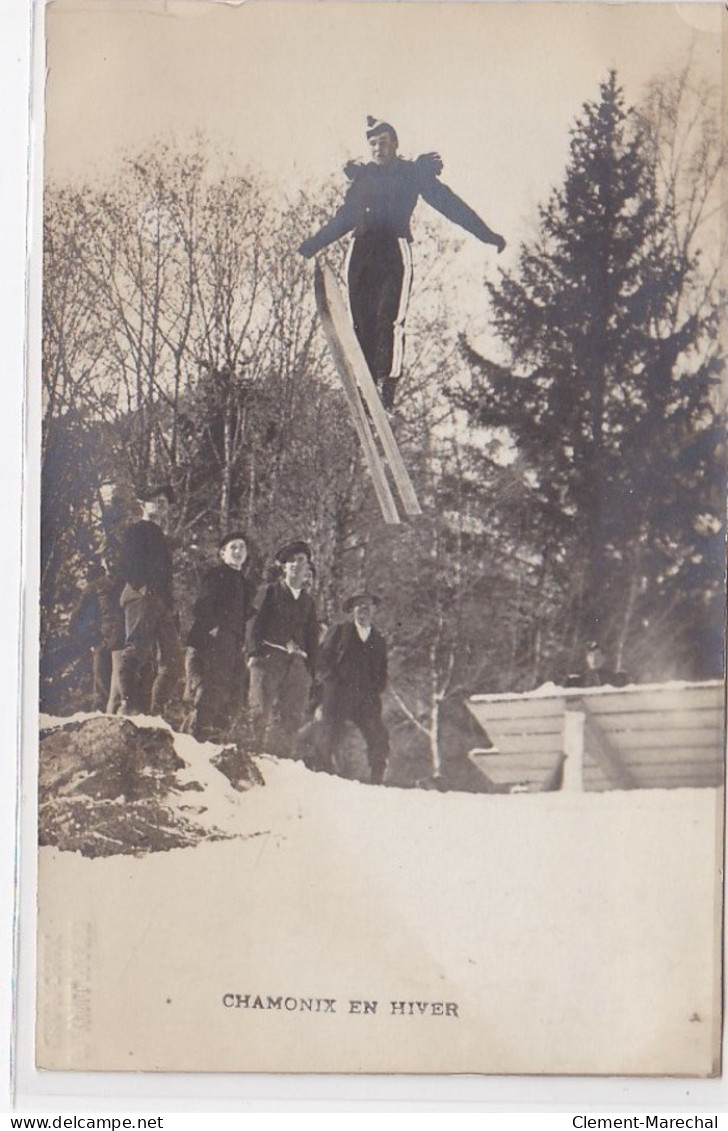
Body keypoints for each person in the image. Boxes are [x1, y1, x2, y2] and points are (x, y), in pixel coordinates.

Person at [298, 116, 506, 409]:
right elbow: (344, 219)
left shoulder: (411, 173)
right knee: (362, 321)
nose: (378, 148)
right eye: (372, 144)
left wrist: (486, 234)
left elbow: (450, 205)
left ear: (395, 145)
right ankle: (365, 381)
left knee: (389, 318)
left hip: (393, 250)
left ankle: (388, 382)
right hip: (361, 250)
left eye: (384, 142)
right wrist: (308, 247)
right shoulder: (363, 178)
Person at [248, 540, 319, 755]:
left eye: (302, 561)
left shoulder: (308, 602)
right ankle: (250, 757)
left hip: (296, 666)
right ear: (284, 567)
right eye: (292, 561)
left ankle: (282, 764)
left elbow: (311, 637)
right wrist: (253, 653)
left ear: (308, 568)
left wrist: (311, 669)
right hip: (268, 659)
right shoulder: (269, 592)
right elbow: (254, 624)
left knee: (291, 717)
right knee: (260, 711)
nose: (297, 565)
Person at [117, 485, 183, 716]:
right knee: (137, 650)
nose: (161, 505)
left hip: (161, 603)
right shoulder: (137, 530)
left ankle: (156, 710)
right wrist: (141, 587)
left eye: (165, 502)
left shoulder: (161, 536)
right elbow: (125, 562)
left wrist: (169, 605)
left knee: (173, 658)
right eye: (156, 500)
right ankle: (128, 704)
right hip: (142, 596)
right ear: (143, 504)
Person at [183, 531, 256, 741]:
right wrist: (213, 630)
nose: (238, 551)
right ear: (222, 553)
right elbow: (202, 606)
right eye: (233, 547)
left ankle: (216, 740)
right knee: (210, 690)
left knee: (235, 693)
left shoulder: (244, 583)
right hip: (211, 643)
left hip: (233, 645)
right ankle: (196, 739)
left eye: (242, 548)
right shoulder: (216, 575)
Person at [315, 592, 390, 785]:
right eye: (359, 605)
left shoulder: (378, 640)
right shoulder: (340, 631)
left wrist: (375, 690)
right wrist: (332, 682)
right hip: (339, 694)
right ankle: (322, 775)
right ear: (352, 611)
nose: (363, 609)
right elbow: (323, 660)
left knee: (378, 735)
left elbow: (382, 670)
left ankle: (377, 778)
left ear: (374, 610)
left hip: (366, 698)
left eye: (368, 605)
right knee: (329, 734)